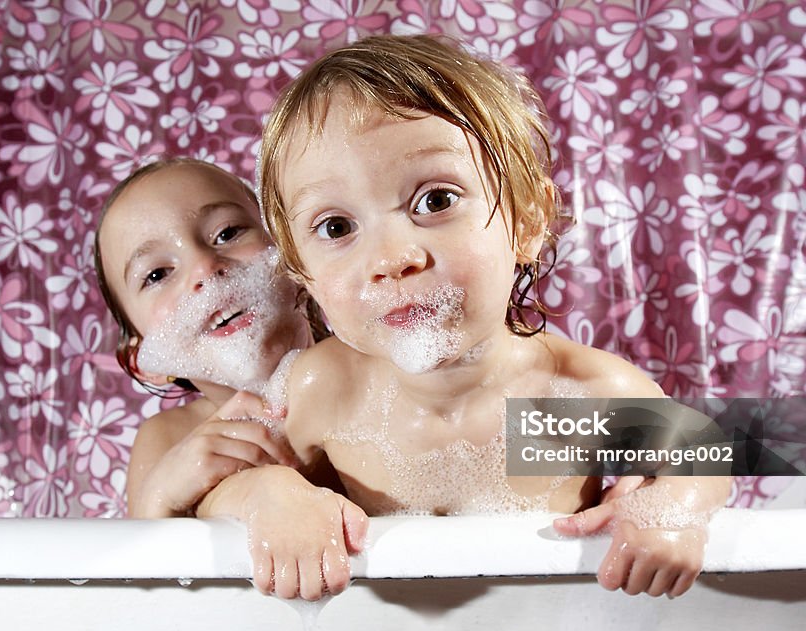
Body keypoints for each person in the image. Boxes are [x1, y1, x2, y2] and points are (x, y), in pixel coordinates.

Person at [256, 34, 732, 598]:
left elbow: (703, 450)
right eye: (336, 227)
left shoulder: (577, 395)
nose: (390, 258)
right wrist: (272, 493)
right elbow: (220, 479)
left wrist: (675, 504)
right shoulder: (322, 388)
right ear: (303, 274)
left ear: (527, 220)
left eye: (435, 200)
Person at [94, 160, 368, 590]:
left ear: (296, 251)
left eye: (227, 233)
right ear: (143, 360)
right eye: (157, 274)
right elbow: (147, 593)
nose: (205, 267)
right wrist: (163, 497)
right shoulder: (169, 440)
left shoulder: (375, 371)